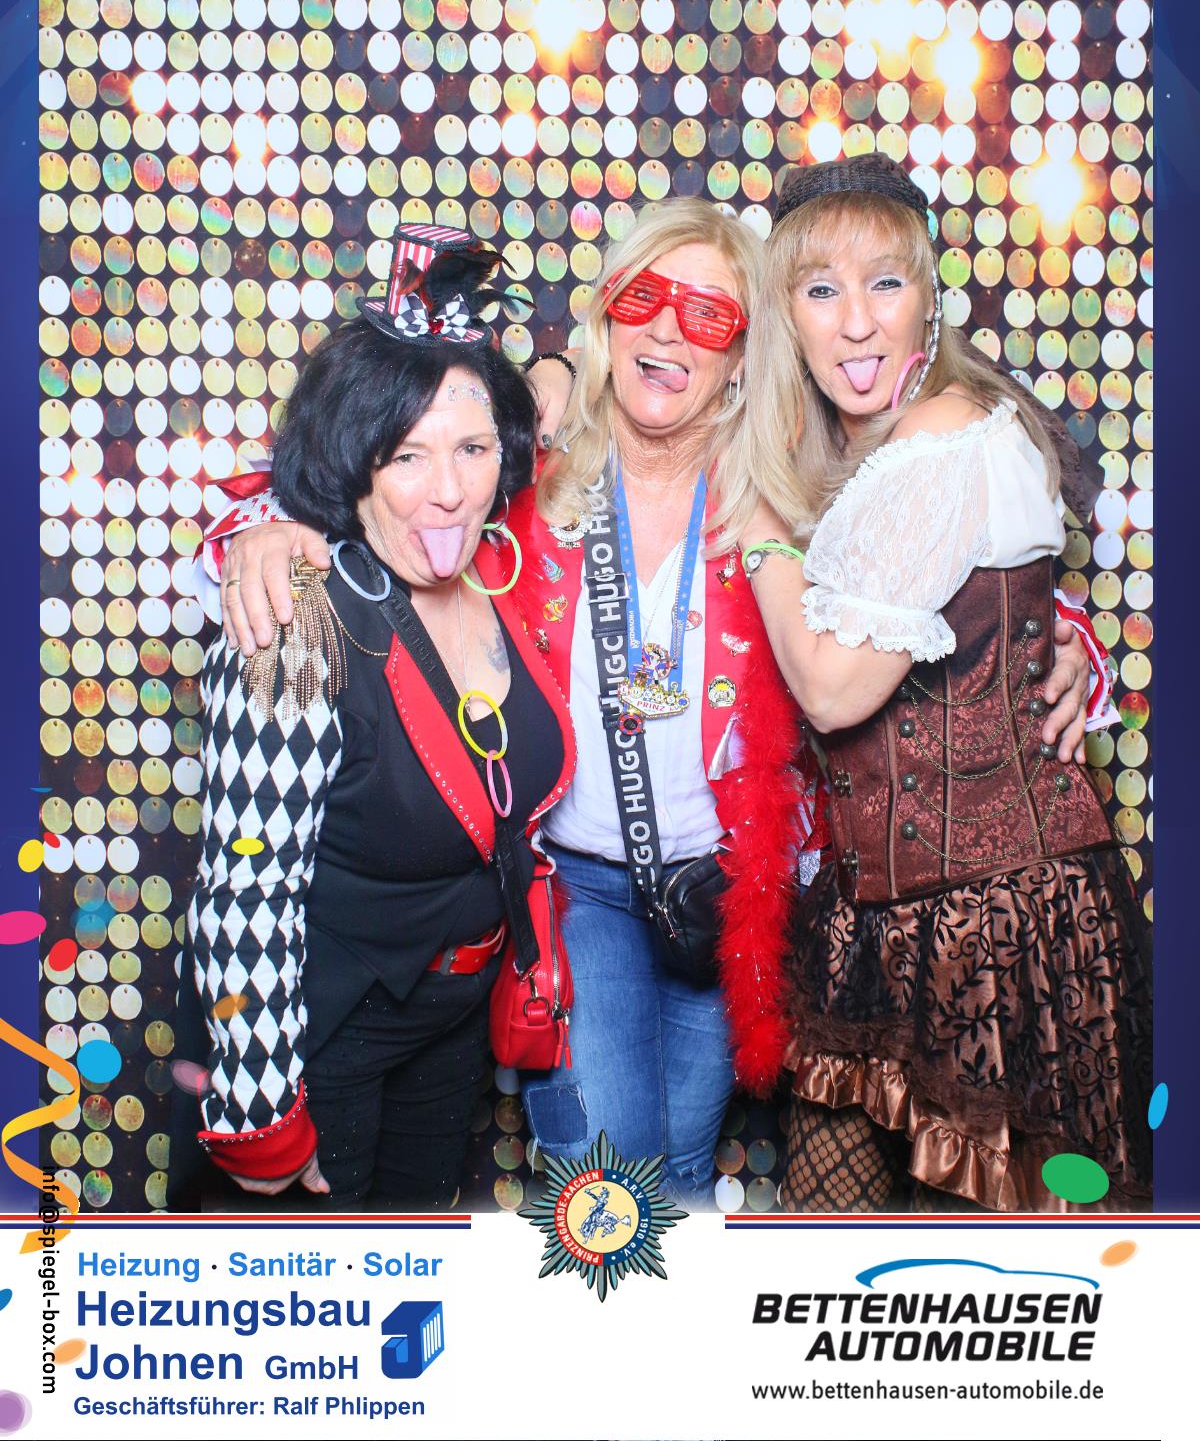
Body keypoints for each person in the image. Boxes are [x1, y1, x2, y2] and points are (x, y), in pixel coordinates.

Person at [202, 196, 1094, 1207]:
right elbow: (377, 461)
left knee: (679, 1177)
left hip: (726, 900)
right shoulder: (525, 474)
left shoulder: (798, 493)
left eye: (708, 315)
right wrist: (271, 530)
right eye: (644, 300)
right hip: (577, 891)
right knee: (610, 1191)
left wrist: (1067, 644)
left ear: (743, 354)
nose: (669, 330)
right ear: (607, 319)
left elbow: (961, 571)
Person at [737, 155, 1151, 1211]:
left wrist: (764, 540)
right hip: (867, 926)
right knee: (828, 1247)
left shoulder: (942, 435)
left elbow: (833, 690)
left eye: (886, 282)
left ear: (928, 296)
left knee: (995, 1276)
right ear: (786, 315)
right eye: (821, 289)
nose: (857, 322)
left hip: (1000, 930)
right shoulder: (843, 451)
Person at [182, 226, 574, 1210]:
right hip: (326, 1036)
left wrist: (559, 366)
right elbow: (243, 892)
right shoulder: (296, 620)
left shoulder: (500, 579)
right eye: (408, 455)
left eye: (473, 449)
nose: (449, 490)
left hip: (450, 1030)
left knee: (414, 1274)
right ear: (355, 461)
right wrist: (261, 1117)